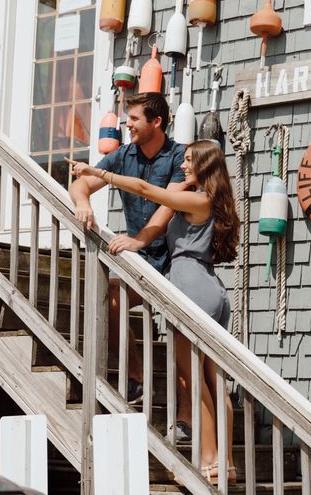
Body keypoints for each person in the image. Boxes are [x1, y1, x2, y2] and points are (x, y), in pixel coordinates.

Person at [69, 140, 239, 484]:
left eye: (190, 161)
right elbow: (162, 209)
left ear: (206, 166)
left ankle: (209, 460)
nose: (184, 165)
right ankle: (227, 465)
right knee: (214, 381)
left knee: (194, 381)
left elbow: (146, 189)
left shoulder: (197, 199)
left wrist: (98, 172)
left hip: (191, 288)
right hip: (211, 289)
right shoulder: (209, 199)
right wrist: (142, 240)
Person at [68, 92, 186, 407]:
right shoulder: (123, 155)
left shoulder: (179, 156)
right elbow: (81, 183)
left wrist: (140, 240)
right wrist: (82, 203)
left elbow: (168, 207)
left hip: (178, 261)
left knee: (186, 345)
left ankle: (187, 415)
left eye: (134, 119)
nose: (127, 124)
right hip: (143, 261)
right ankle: (137, 378)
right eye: (127, 118)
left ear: (156, 121)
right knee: (112, 297)